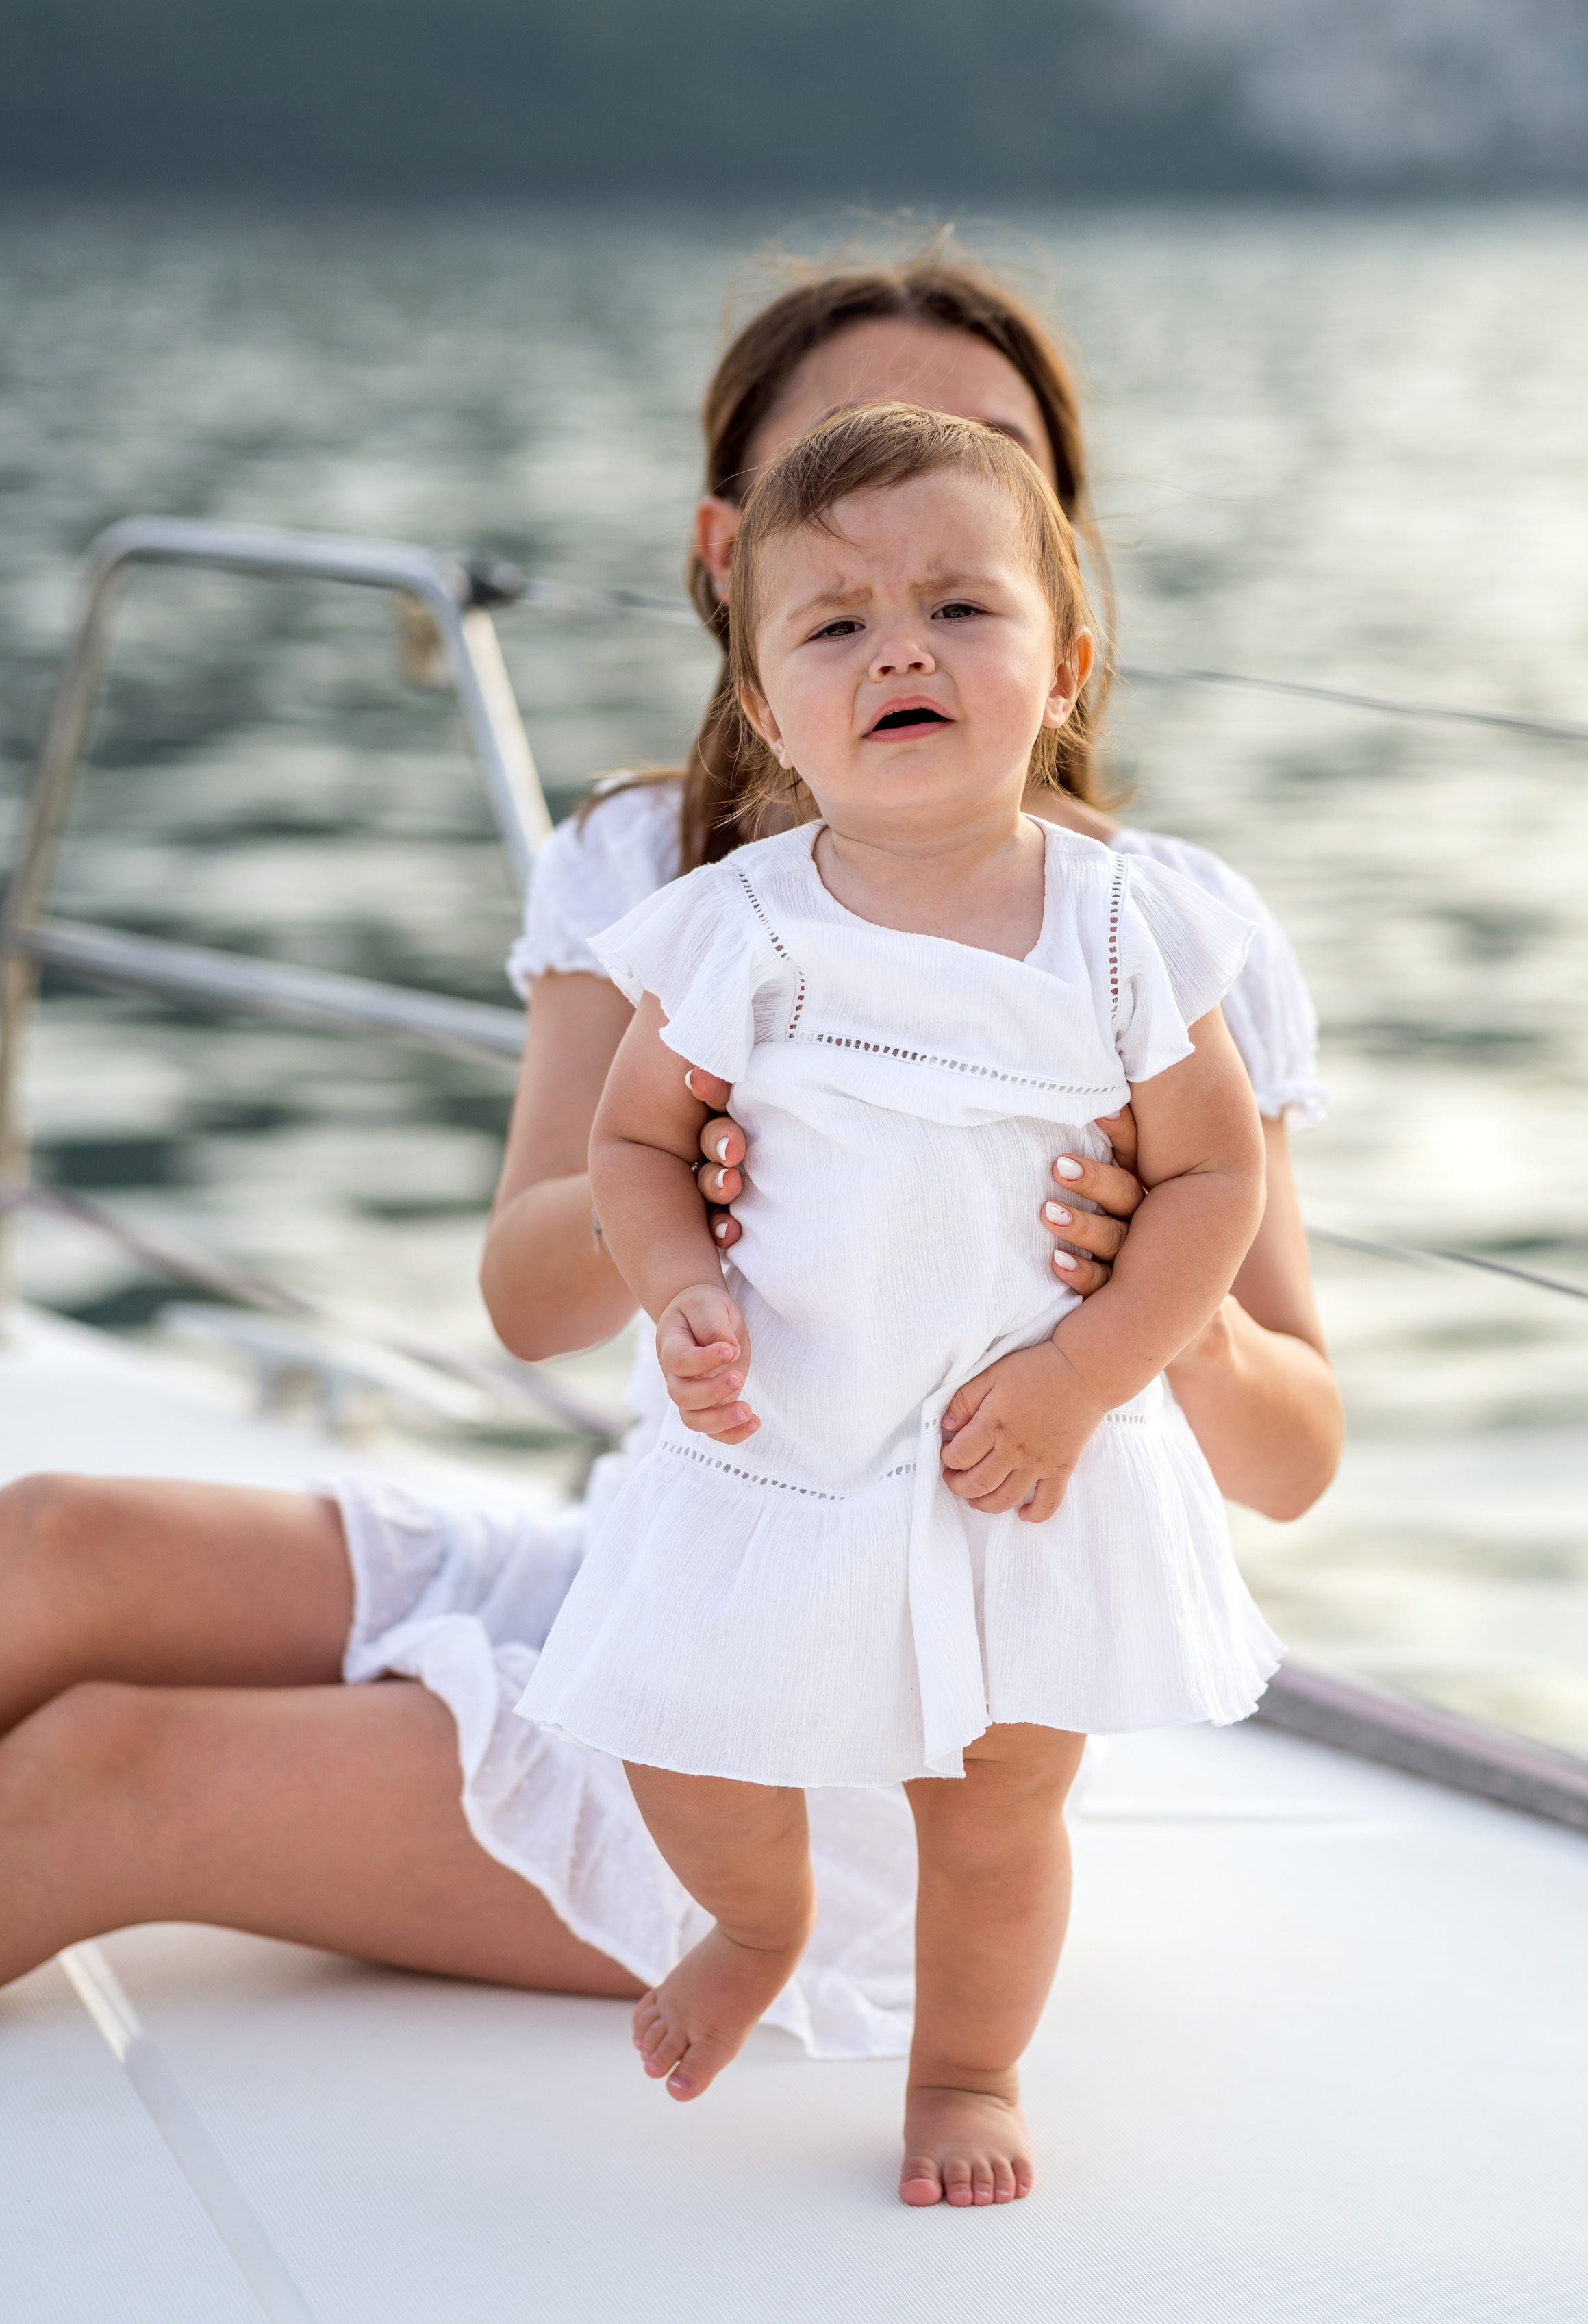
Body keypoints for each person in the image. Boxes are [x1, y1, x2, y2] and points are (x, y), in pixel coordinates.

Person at [0, 248, 1340, 2169]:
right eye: (841, 494)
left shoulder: (1156, 939)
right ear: (737, 557)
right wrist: (678, 1216)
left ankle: (826, 1962)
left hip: (879, 1717)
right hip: (683, 1541)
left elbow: (1294, 1458)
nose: (902, 587)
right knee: (49, 1538)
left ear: (1056, 589)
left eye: (972, 487)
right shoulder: (660, 874)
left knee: (101, 1771)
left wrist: (1159, 1303)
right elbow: (534, 1294)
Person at [521, 400, 1279, 2208]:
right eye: (837, 625)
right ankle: (757, 1921)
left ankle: (966, 2070)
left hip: (1017, 1452)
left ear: (1066, 664)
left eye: (960, 606)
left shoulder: (1121, 929)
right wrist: (681, 1283)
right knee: (677, 1731)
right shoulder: (735, 929)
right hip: (786, 1424)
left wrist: (1091, 1374)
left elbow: (1212, 1180)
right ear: (771, 711)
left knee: (1003, 1801)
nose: (902, 650)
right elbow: (633, 1150)